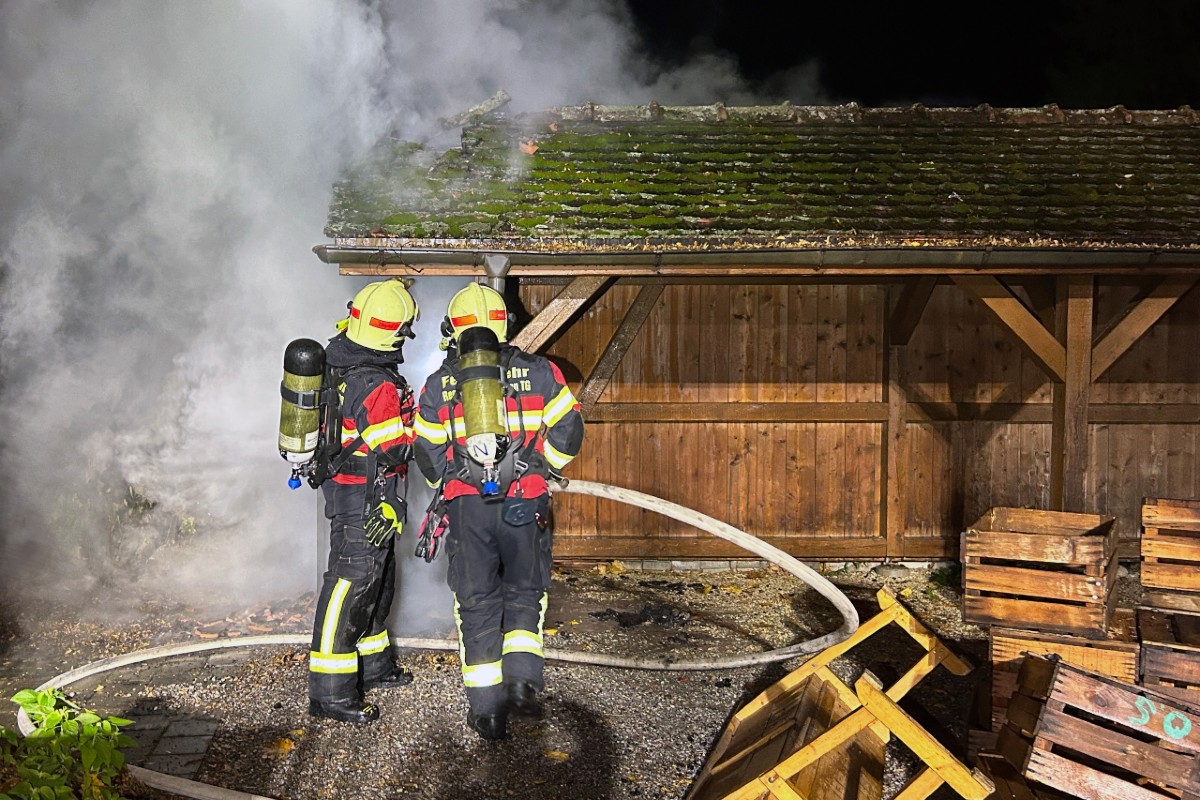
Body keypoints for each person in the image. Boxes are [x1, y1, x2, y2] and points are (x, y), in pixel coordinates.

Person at [413, 282, 584, 740]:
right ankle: (524, 686)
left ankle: (487, 711)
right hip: (526, 503)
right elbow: (569, 429)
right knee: (526, 591)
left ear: (453, 329)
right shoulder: (542, 371)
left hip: (469, 508)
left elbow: (427, 454)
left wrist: (446, 486)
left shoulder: (437, 384)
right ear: (505, 324)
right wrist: (542, 467)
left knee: (477, 601)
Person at [308, 279, 420, 724]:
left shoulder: (336, 358)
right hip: (362, 493)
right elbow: (393, 447)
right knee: (351, 580)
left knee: (378, 576)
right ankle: (330, 692)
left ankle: (373, 667)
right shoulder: (377, 384)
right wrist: (425, 425)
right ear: (396, 333)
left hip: (361, 489)